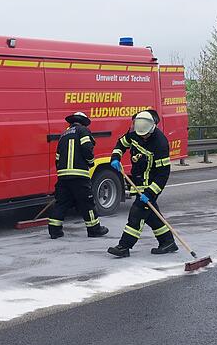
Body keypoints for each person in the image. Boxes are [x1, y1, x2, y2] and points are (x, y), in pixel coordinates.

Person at [107, 110, 175, 257]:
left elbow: (163, 174)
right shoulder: (134, 132)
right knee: (151, 215)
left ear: (152, 129)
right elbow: (121, 144)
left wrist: (150, 193)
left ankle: (124, 247)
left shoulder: (160, 143)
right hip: (137, 182)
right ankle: (167, 242)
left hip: (151, 185)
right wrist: (115, 157)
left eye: (145, 135)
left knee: (137, 214)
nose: (142, 137)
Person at [48, 112, 108, 239]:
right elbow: (87, 148)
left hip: (63, 175)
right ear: (83, 122)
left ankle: (54, 231)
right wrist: (91, 162)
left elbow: (57, 157)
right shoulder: (83, 130)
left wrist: (62, 172)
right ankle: (94, 229)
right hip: (79, 175)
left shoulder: (63, 134)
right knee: (87, 203)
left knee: (61, 203)